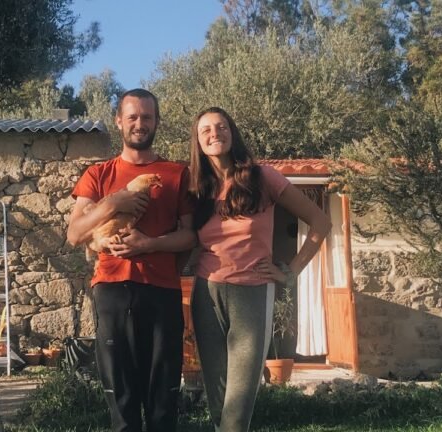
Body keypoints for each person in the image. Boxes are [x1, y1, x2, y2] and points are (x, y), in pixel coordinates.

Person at [188, 107, 331, 432]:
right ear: (197, 141)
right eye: (205, 130)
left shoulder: (263, 177)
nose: (214, 134)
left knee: (238, 408)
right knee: (217, 398)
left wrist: (290, 272)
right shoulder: (197, 188)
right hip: (205, 293)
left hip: (251, 293)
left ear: (232, 132)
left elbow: (321, 222)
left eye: (221, 126)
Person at [66, 88, 195, 432]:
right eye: (133, 116)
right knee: (121, 398)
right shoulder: (98, 174)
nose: (140, 123)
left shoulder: (176, 173)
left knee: (163, 398)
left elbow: (190, 236)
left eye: (147, 117)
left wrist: (148, 245)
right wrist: (113, 203)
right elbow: (75, 234)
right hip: (111, 289)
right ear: (119, 121)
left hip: (163, 290)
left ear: (157, 122)